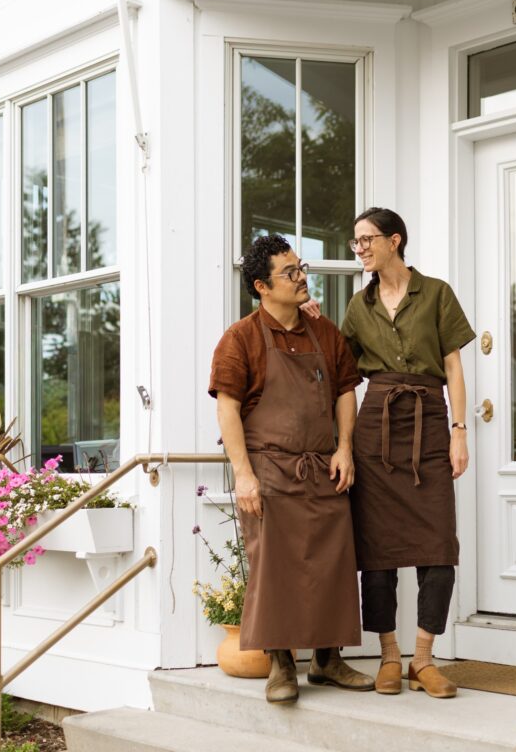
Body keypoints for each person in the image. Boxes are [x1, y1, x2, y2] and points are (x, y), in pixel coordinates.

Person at [208, 234, 374, 704]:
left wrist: (345, 449)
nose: (302, 278)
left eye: (302, 268)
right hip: (270, 470)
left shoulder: (324, 332)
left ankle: (328, 660)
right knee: (274, 569)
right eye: (290, 272)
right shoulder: (239, 339)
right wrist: (244, 474)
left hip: (325, 468)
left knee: (334, 563)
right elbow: (228, 410)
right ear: (262, 286)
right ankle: (280, 664)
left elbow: (345, 389)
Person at [341, 208, 475, 699]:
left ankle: (423, 658)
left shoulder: (436, 293)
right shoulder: (359, 306)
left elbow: (454, 368)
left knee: (438, 544)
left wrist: (459, 431)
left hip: (428, 421)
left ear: (394, 240)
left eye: (366, 240)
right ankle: (390, 655)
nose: (360, 249)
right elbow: (341, 373)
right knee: (376, 550)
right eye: (355, 242)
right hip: (375, 426)